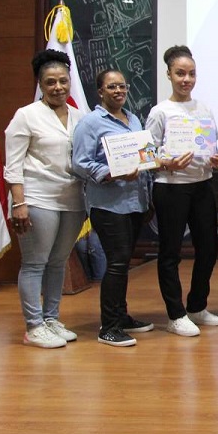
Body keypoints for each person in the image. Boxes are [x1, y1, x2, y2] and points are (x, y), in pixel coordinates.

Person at [4, 51, 85, 348]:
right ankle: (34, 325)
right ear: (40, 84)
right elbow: (13, 165)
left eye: (63, 81)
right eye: (50, 82)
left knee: (58, 262)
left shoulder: (80, 117)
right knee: (35, 263)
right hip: (38, 199)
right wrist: (19, 203)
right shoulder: (26, 115)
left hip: (73, 200)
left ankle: (51, 319)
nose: (58, 87)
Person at [145, 45, 218, 337]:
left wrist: (216, 159)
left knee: (209, 248)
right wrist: (165, 162)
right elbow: (147, 155)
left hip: (202, 185)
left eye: (191, 74)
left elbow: (210, 148)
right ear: (169, 75)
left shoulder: (203, 108)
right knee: (170, 252)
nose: (186, 79)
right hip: (170, 188)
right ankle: (175, 314)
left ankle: (196, 306)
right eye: (180, 73)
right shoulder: (160, 112)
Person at [72, 69, 154, 347]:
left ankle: (121, 316)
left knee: (123, 263)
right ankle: (108, 327)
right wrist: (111, 173)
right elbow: (80, 163)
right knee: (116, 262)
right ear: (100, 92)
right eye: (111, 87)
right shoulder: (91, 123)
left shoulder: (132, 119)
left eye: (122, 86)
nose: (118, 91)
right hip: (108, 205)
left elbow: (143, 157)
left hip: (135, 202)